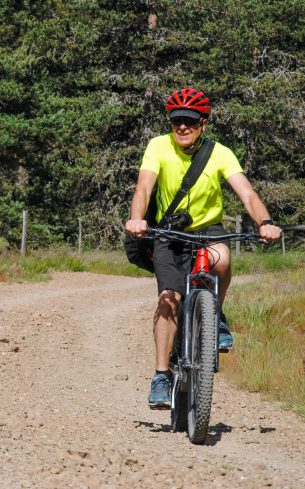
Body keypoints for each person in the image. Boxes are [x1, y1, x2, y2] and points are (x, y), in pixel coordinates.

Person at [124, 87, 282, 409]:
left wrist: (264, 221)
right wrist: (137, 219)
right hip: (169, 231)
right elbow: (143, 187)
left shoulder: (220, 153)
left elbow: (247, 194)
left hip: (208, 230)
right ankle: (160, 375)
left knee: (221, 258)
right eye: (177, 120)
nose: (183, 127)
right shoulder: (157, 146)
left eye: (191, 121)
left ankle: (216, 316)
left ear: (204, 123)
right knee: (169, 298)